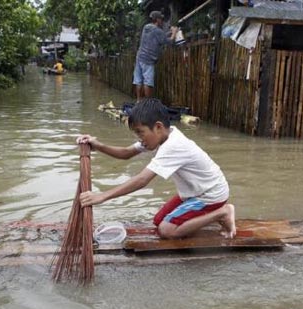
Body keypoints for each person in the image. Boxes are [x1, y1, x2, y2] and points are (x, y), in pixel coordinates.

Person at [77, 98, 236, 239]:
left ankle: (223, 212)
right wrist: (97, 145)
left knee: (166, 230)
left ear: (158, 127)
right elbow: (126, 153)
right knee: (158, 220)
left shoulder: (174, 146)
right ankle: (208, 213)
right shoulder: (162, 136)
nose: (139, 138)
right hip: (194, 191)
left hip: (210, 195)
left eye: (140, 132)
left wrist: (102, 196)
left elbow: (142, 180)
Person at [133, 11, 179, 102]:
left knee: (138, 80)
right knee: (148, 82)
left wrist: (168, 32)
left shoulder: (146, 27)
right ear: (157, 20)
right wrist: (174, 32)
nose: (162, 21)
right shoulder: (158, 31)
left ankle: (138, 101)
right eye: (161, 19)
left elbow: (159, 38)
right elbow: (169, 42)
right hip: (148, 59)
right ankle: (148, 103)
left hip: (139, 57)